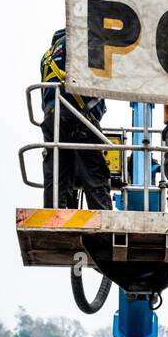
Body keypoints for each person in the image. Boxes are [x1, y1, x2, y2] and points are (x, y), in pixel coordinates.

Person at [40, 28, 112, 209]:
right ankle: (102, 219)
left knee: (56, 171)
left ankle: (53, 213)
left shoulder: (47, 55)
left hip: (52, 117)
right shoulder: (76, 44)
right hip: (78, 116)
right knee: (94, 170)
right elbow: (95, 78)